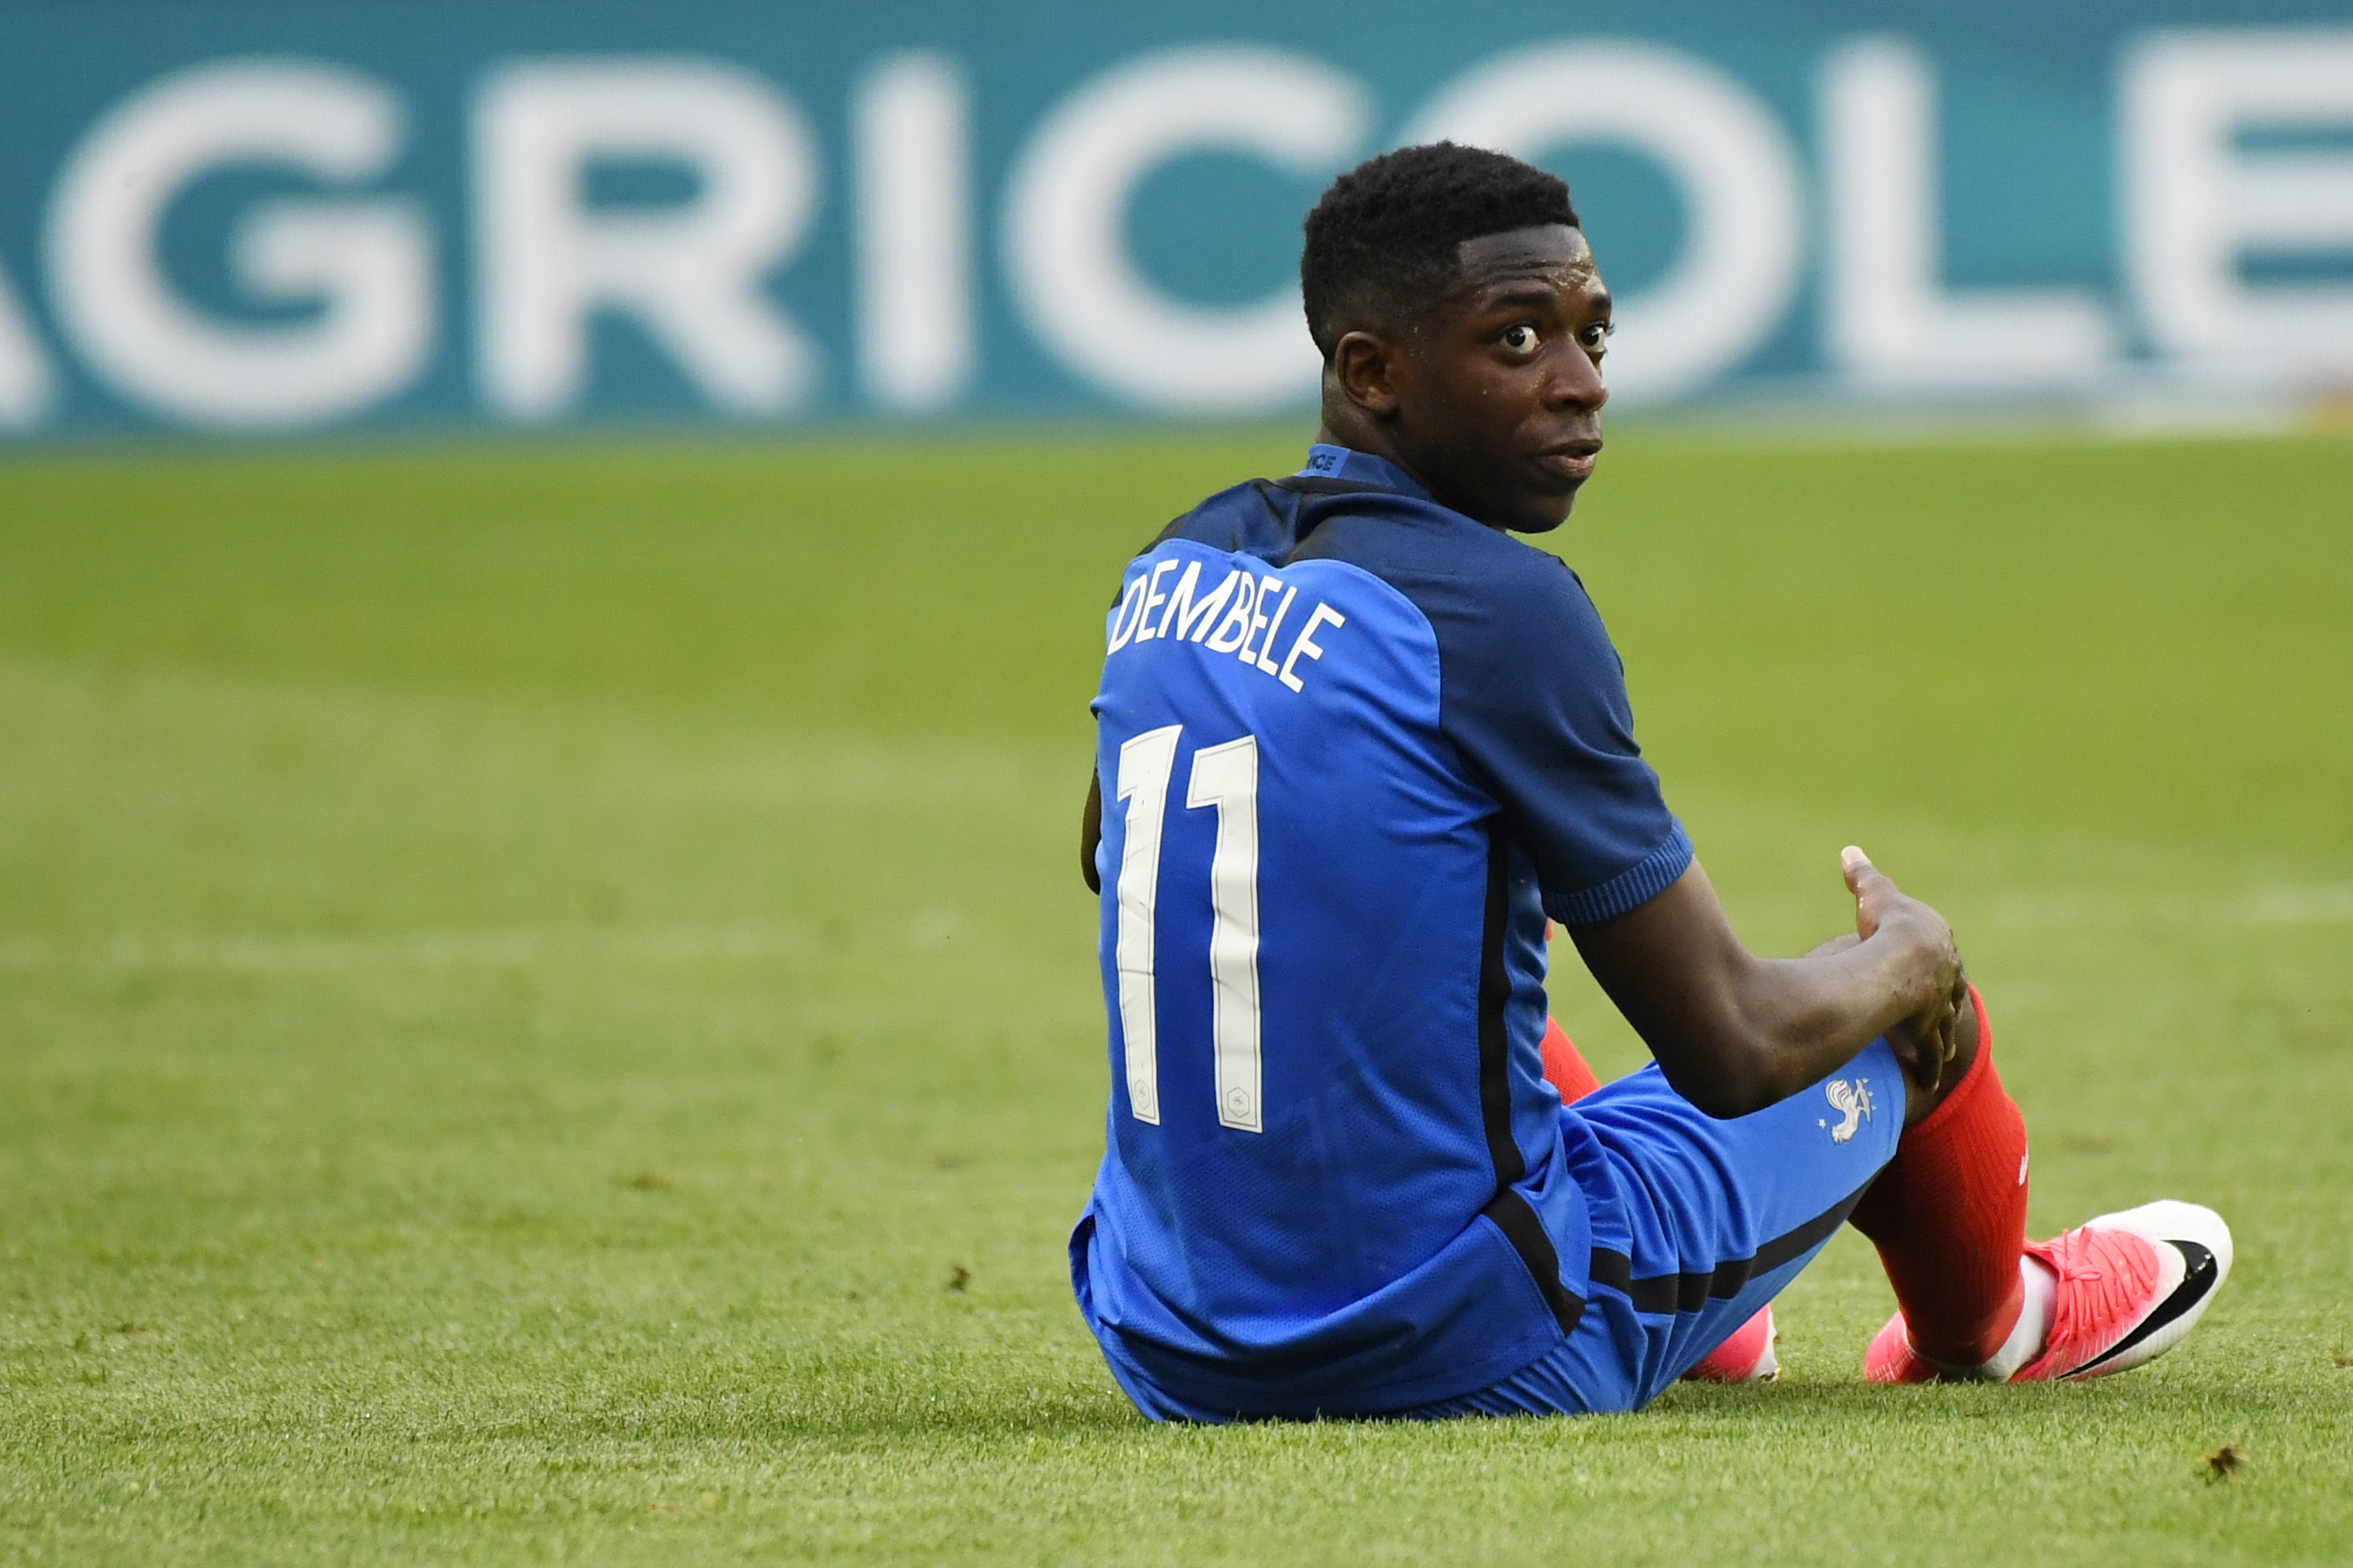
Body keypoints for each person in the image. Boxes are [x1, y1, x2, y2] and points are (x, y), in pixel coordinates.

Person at [1069, 142, 2230, 1421]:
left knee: (1437, 927)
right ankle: (2004, 1321)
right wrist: (1913, 955)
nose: (1579, 388)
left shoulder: (1178, 561)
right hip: (1470, 1351)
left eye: (1592, 337)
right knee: (1900, 1018)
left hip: (1167, 1342)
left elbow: (1116, 847)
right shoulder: (1502, 614)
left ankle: (1711, 1319)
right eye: (1517, 341)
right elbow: (1734, 1046)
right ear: (1372, 372)